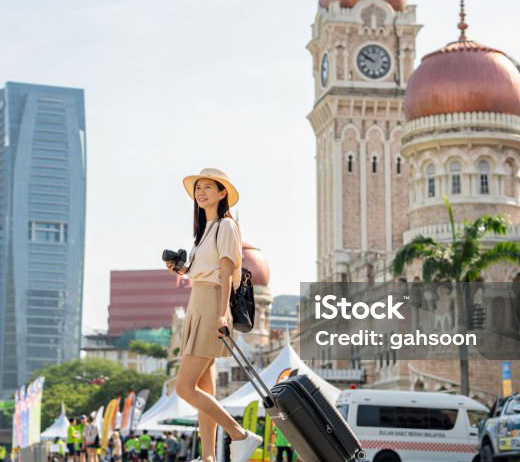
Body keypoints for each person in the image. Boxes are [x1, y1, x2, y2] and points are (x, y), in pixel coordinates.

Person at [166, 168, 263, 462]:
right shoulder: (205, 230)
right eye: (198, 188)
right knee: (205, 386)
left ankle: (240, 435)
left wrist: (222, 314)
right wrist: (180, 269)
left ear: (223, 194)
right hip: (198, 301)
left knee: (184, 386)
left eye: (209, 187)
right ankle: (207, 456)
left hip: (211, 304)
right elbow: (204, 271)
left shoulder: (225, 226)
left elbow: (224, 273)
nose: (201, 192)